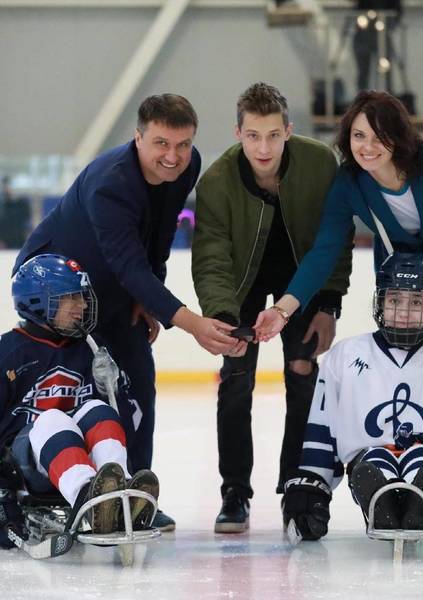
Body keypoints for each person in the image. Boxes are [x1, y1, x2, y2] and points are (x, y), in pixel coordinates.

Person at [13, 95, 238, 529]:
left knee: (137, 379)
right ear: (137, 138)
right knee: (61, 389)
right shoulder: (110, 183)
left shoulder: (185, 166)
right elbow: (127, 264)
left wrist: (147, 295)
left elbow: (158, 234)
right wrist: (190, 323)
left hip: (115, 288)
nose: (172, 157)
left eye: (183, 144)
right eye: (160, 143)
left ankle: (133, 497)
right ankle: (48, 489)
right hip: (57, 291)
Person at [192, 82, 353, 533]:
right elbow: (210, 257)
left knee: (303, 378)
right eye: (252, 136)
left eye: (273, 136)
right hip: (240, 287)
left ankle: (296, 486)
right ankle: (234, 493)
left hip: (302, 282)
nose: (263, 148)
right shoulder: (217, 182)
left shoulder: (321, 163)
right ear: (237, 133)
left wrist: (329, 304)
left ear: (288, 130)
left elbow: (334, 240)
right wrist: (223, 317)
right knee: (237, 380)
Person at [255, 90, 423, 345]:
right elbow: (324, 252)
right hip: (400, 269)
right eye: (359, 136)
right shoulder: (348, 183)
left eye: (380, 137)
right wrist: (281, 310)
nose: (367, 147)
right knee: (409, 356)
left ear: (397, 137)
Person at [282, 252, 423, 540]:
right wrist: (313, 487)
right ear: (380, 302)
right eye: (394, 301)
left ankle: (420, 499)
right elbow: (324, 430)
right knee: (371, 462)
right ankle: (383, 500)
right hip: (367, 460)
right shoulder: (345, 355)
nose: (404, 312)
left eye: (416, 302)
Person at [0, 254, 160, 550]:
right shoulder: (8, 353)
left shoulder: (92, 349)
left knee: (97, 409)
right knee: (52, 419)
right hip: (25, 468)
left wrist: (113, 388)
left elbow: (126, 425)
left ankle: (118, 490)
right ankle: (90, 497)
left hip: (78, 456)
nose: (83, 305)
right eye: (71, 297)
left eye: (82, 297)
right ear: (38, 301)